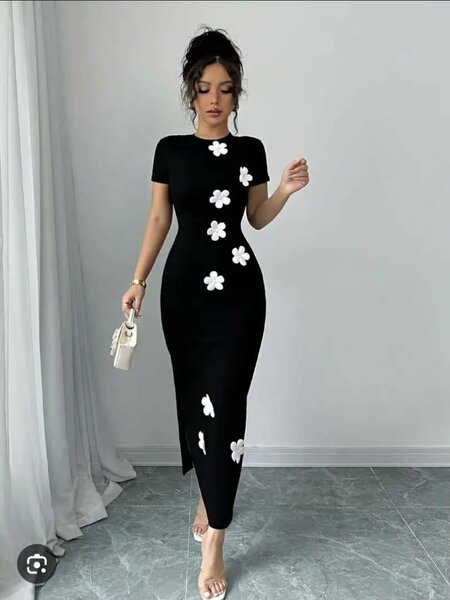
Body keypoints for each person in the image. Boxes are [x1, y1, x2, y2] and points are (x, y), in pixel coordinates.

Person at [121, 25, 309, 600]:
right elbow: (160, 220)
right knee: (196, 399)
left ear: (237, 94)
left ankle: (216, 538)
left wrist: (284, 191)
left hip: (240, 295)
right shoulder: (170, 151)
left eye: (226, 89)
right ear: (190, 92)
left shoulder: (250, 151)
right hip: (183, 295)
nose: (215, 100)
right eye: (204, 89)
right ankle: (210, 491)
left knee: (226, 404)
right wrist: (137, 281)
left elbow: (257, 218)